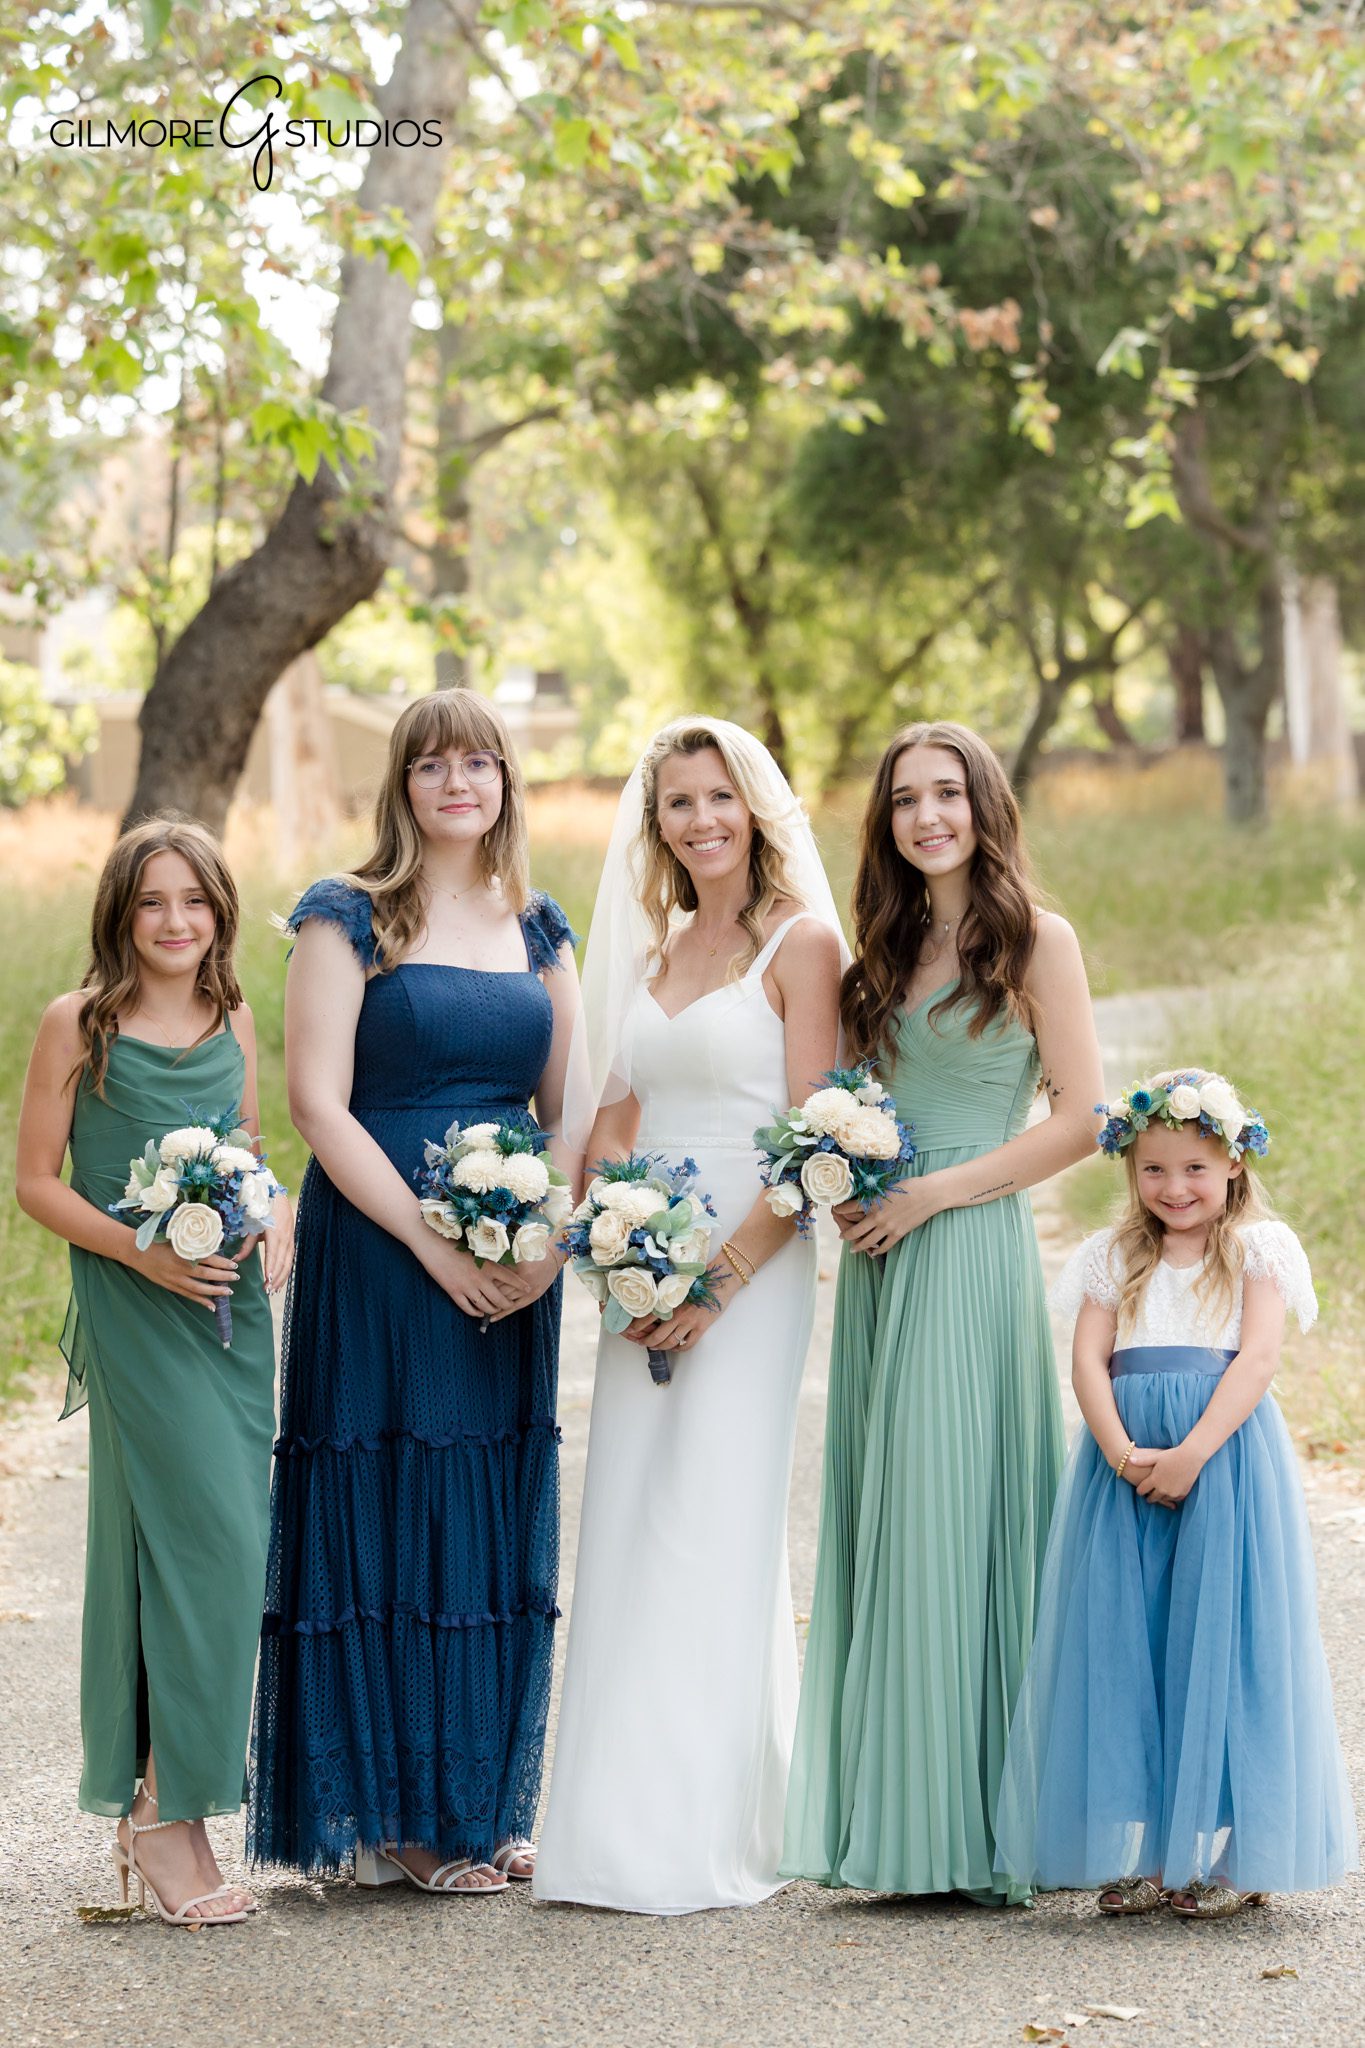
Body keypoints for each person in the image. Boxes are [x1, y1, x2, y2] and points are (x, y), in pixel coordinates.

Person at [248, 690, 580, 1896]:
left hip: (513, 1258)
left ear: (505, 782)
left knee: (487, 1504)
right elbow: (316, 1104)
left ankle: (481, 1800)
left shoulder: (538, 924)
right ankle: (395, 1814)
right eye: (435, 763)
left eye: (480, 762)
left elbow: (571, 1107)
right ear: (402, 782)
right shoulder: (350, 915)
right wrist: (433, 1245)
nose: (459, 782)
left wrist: (546, 1243)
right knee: (390, 1490)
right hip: (386, 1249)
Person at [781, 720, 1103, 1904]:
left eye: (948, 794)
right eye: (907, 798)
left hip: (965, 1245)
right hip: (882, 1259)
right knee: (893, 1517)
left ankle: (982, 1826)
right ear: (886, 820)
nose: (928, 816)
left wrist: (932, 1196)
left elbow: (1081, 1116)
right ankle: (908, 1821)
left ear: (984, 806)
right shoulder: (880, 950)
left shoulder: (1036, 939)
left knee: (956, 1512)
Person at [532, 717, 845, 1913]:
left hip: (748, 1274)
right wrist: (622, 1248)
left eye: (720, 797)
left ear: (755, 808)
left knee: (711, 1519)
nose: (701, 820)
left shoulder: (800, 943)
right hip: (643, 1264)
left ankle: (707, 1829)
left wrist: (712, 1280)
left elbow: (816, 1139)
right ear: (654, 823)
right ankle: (609, 1828)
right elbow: (614, 1117)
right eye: (677, 804)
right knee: (628, 1518)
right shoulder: (658, 950)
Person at [995, 1069, 1358, 1917]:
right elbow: (1088, 1359)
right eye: (1153, 1170)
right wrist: (1121, 1453)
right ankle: (1158, 1850)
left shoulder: (1260, 1249)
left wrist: (1190, 1453)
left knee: (1227, 1645)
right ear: (1130, 1170)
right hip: (1122, 1470)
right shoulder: (1110, 1255)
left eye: (1193, 1168)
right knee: (1137, 1645)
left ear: (1232, 1162)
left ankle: (1242, 1856)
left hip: (1220, 1460)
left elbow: (1258, 1360)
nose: (1174, 1188)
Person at [16, 817, 291, 1926]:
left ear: (220, 912)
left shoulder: (234, 1015)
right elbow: (36, 1182)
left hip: (233, 1315)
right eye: (152, 902)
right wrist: (143, 1249)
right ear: (120, 914)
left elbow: (253, 1149)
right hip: (136, 1306)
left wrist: (265, 1219)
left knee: (223, 1550)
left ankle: (165, 1799)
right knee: (207, 1546)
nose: (177, 922)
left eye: (196, 901)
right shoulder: (76, 1027)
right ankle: (170, 1815)